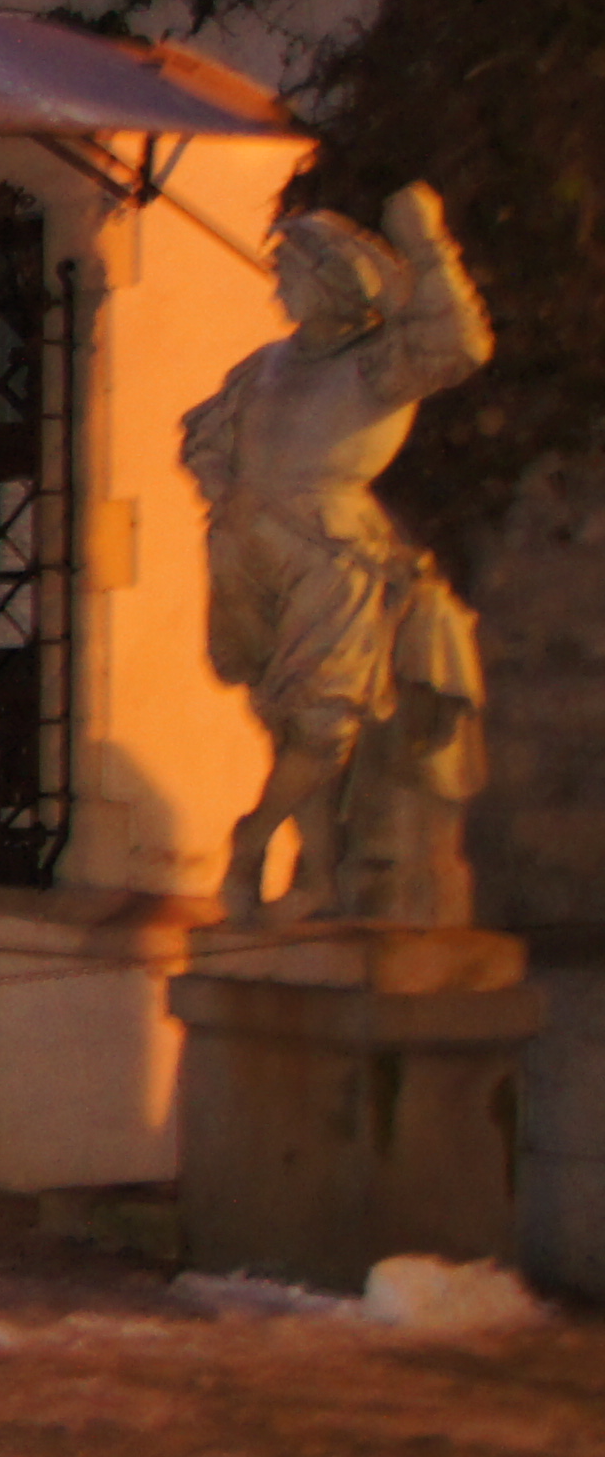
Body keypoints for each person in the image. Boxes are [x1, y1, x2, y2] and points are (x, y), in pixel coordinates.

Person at [184, 184, 496, 923]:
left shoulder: (377, 363)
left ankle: (251, 839)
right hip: (244, 547)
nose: (277, 286)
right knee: (283, 720)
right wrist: (225, 491)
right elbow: (204, 440)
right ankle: (318, 876)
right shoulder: (264, 366)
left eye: (289, 272)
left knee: (325, 720)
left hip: (331, 550)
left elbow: (461, 344)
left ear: (332, 283)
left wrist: (428, 245)